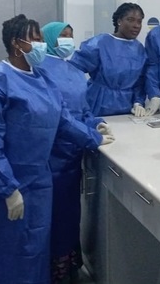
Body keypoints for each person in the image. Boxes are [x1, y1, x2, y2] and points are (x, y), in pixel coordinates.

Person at [0, 14, 114, 284]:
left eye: (43, 39)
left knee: (33, 250)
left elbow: (64, 120)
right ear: (17, 44)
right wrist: (6, 188)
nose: (43, 45)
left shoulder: (42, 79)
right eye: (37, 39)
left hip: (37, 181)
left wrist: (94, 137)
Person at [39, 21, 110, 284]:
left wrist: (96, 123)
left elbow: (82, 110)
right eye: (62, 36)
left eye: (71, 35)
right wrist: (91, 136)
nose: (68, 40)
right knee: (52, 216)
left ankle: (69, 265)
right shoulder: (39, 71)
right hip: (51, 157)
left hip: (72, 156)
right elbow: (59, 118)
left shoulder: (73, 70)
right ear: (48, 40)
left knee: (70, 215)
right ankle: (50, 272)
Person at [71, 3, 147, 117]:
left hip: (127, 107)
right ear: (119, 21)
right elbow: (74, 71)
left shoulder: (140, 50)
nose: (136, 25)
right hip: (98, 103)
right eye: (130, 20)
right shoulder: (99, 43)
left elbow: (139, 83)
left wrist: (138, 102)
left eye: (139, 21)